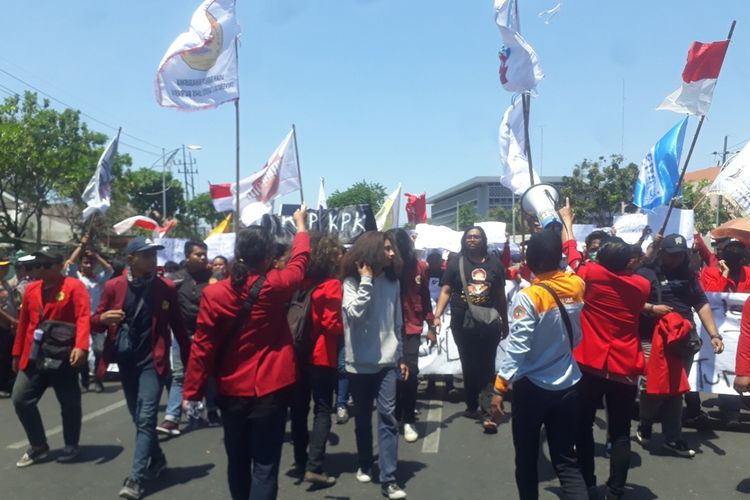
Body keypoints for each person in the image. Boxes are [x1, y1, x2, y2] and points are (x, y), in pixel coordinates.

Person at [183, 207, 309, 500]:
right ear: (267, 258)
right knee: (265, 465)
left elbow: (202, 347)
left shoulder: (214, 295)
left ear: (237, 255)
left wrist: (192, 393)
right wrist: (301, 227)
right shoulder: (277, 285)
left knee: (238, 462)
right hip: (271, 390)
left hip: (231, 391)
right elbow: (300, 261)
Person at [489, 230, 588, 500]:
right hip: (569, 383)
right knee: (566, 460)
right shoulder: (577, 285)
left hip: (532, 389)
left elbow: (518, 347)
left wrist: (499, 387)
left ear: (529, 260)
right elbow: (570, 265)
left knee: (527, 459)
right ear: (557, 258)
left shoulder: (529, 296)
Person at [561, 205, 651, 500]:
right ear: (628, 264)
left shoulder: (591, 275)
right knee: (622, 432)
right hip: (625, 367)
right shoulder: (642, 286)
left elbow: (571, 252)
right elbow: (636, 266)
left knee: (583, 426)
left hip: (590, 365)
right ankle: (616, 490)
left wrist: (568, 223)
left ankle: (588, 483)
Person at [93, 237, 190, 500]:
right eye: (146, 255)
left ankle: (136, 478)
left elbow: (179, 328)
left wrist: (192, 365)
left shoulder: (166, 288)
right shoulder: (113, 286)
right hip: (126, 361)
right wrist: (102, 318)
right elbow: (94, 320)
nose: (152, 259)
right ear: (131, 259)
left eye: (153, 254)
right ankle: (157, 460)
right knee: (138, 418)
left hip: (153, 362)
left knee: (146, 417)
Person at [635, 234, 724, 458]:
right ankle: (645, 422)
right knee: (650, 385)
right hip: (651, 337)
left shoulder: (689, 275)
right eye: (671, 255)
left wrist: (714, 334)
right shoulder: (645, 273)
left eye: (680, 255)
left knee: (677, 388)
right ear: (661, 252)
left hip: (683, 338)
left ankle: (673, 437)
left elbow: (701, 303)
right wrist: (651, 309)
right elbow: (629, 300)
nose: (675, 260)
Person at [341, 231, 409, 500]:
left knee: (388, 418)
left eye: (393, 249)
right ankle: (365, 461)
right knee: (362, 419)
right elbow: (355, 314)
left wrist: (401, 355)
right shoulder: (350, 282)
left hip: (387, 363)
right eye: (387, 249)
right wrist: (366, 280)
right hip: (359, 363)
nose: (392, 254)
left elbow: (397, 322)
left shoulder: (393, 282)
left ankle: (389, 478)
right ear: (372, 251)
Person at [11, 249, 91, 467]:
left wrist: (81, 346)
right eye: (37, 265)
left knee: (69, 402)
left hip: (62, 354)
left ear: (60, 265)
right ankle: (38, 445)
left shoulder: (74, 287)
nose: (39, 269)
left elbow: (83, 316)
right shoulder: (31, 290)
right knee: (20, 399)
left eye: (46, 265)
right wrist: (17, 353)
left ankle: (71, 443)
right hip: (34, 355)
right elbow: (24, 324)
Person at [433, 226, 508, 432]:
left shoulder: (495, 264)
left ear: (483, 240)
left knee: (486, 366)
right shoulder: (456, 262)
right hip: (461, 323)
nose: (472, 240)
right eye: (469, 237)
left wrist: (505, 321)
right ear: (464, 240)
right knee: (469, 364)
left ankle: (487, 414)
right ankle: (472, 404)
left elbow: (501, 296)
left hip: (488, 322)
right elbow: (446, 290)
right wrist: (437, 316)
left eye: (477, 237)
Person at [289, 232, 345, 486]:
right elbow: (332, 325)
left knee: (299, 410)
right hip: (321, 355)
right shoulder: (331, 285)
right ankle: (314, 465)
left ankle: (300, 462)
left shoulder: (299, 283)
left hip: (295, 353)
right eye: (337, 253)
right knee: (323, 409)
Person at [159, 240, 215, 436]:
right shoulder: (175, 280)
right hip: (182, 335)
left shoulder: (214, 278)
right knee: (180, 376)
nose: (203, 257)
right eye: (198, 254)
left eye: (204, 254)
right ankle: (172, 419)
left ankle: (209, 411)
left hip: (208, 335)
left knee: (209, 374)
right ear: (187, 256)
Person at [388, 228, 435, 443]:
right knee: (392, 375)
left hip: (412, 327)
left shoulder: (420, 267)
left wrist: (431, 325)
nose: (392, 251)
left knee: (411, 373)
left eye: (396, 246)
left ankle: (408, 418)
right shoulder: (384, 269)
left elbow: (424, 296)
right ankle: (394, 414)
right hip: (388, 328)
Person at [699, 239, 749, 428]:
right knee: (723, 365)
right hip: (719, 331)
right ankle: (730, 410)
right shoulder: (710, 273)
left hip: (741, 330)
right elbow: (707, 299)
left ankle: (734, 409)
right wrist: (724, 276)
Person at [64, 236, 114, 393]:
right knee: (87, 349)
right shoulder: (76, 278)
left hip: (97, 320)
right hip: (81, 320)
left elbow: (110, 270)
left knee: (99, 350)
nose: (88, 265)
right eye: (85, 262)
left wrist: (96, 255)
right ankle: (88, 379)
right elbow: (68, 264)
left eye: (90, 263)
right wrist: (81, 246)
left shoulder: (98, 280)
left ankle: (96, 378)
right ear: (81, 265)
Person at [0, 255, 19, 398]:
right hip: (2, 325)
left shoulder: (6, 284)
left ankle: (8, 383)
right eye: (3, 265)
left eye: (7, 266)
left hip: (9, 327)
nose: (5, 268)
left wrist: (15, 321)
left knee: (8, 356)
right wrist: (11, 319)